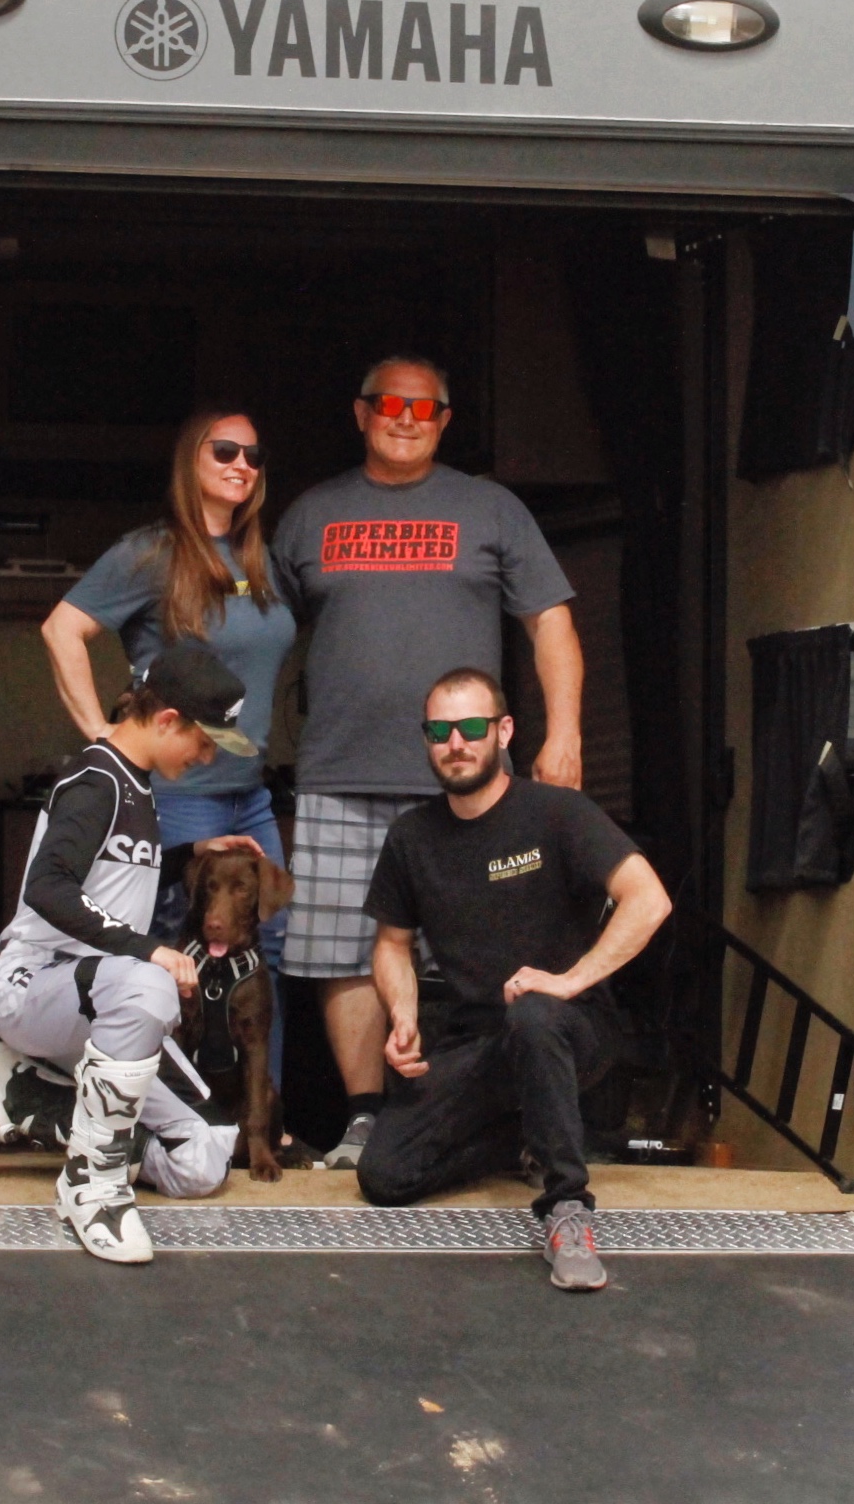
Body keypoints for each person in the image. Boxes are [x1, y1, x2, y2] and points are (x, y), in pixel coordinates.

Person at [270, 358, 584, 1170]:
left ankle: (499, 1119)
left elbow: (549, 624)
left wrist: (564, 733)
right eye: (388, 403)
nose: (405, 417)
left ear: (444, 420)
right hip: (340, 772)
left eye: (423, 406)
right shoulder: (311, 515)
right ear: (360, 412)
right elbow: (257, 631)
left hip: (467, 782)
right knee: (347, 954)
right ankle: (369, 1117)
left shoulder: (490, 509)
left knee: (485, 959)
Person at [354, 668, 670, 1292]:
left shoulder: (557, 812)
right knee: (384, 1177)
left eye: (472, 728)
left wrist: (571, 980)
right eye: (439, 731)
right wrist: (404, 1013)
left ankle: (566, 1207)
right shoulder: (411, 837)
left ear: (503, 731)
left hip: (571, 1028)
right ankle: (521, 1137)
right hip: (481, 1040)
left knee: (532, 1012)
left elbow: (648, 899)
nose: (456, 743)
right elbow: (391, 946)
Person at [0, 644, 267, 1265]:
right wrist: (147, 950)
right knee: (150, 985)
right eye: (203, 741)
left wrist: (189, 855)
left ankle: (32, 1098)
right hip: (31, 985)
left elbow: (108, 878)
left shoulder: (137, 785)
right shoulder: (97, 780)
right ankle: (91, 1184)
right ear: (168, 719)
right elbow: (47, 886)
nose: (205, 757)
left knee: (207, 1152)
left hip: (97, 1000)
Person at [42, 407, 297, 1067]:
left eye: (254, 455)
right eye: (225, 451)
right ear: (192, 460)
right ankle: (168, 1115)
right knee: (170, 957)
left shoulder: (258, 557)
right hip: (178, 796)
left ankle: (258, 1127)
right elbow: (61, 629)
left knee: (264, 952)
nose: (242, 464)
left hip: (250, 795)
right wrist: (105, 739)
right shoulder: (150, 552)